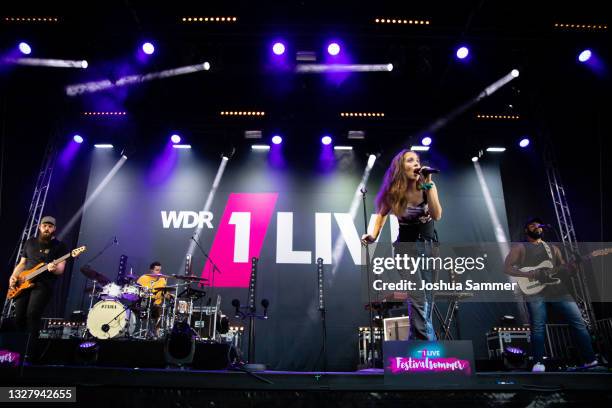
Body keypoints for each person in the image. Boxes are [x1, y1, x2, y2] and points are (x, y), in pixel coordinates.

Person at [362, 149, 442, 340]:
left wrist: (428, 182)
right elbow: (381, 213)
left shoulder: (428, 185)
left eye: (417, 160)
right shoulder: (394, 192)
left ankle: (417, 341)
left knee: (427, 299)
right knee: (418, 298)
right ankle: (427, 344)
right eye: (410, 160)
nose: (416, 163)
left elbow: (437, 214)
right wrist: (373, 235)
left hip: (429, 246)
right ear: (400, 167)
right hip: (405, 248)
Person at [503, 217, 598, 372]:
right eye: (533, 225)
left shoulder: (553, 248)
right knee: (538, 326)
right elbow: (507, 268)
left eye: (539, 226)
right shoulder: (520, 247)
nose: (537, 227)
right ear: (526, 230)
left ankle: (590, 360)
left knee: (578, 322)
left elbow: (564, 270)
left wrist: (574, 267)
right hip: (534, 291)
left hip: (558, 290)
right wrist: (532, 275)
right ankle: (538, 362)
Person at [9, 216, 67, 337]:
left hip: (43, 284)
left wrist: (54, 269)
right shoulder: (30, 242)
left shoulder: (60, 246)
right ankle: (20, 346)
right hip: (23, 282)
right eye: (45, 226)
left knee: (33, 313)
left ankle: (31, 349)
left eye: (50, 227)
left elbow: (61, 269)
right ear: (40, 226)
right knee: (18, 316)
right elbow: (22, 264)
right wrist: (13, 277)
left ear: (54, 229)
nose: (47, 228)